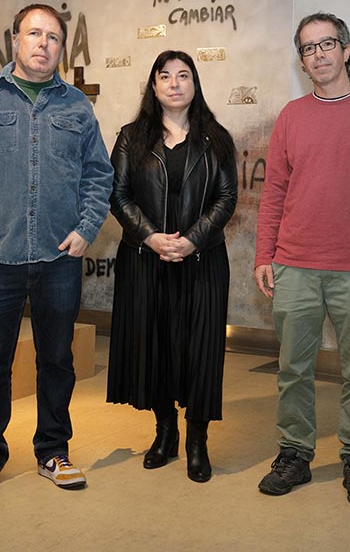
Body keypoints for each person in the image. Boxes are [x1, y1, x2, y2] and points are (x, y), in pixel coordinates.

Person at [0, 3, 114, 499]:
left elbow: (99, 174)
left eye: (54, 37)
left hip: (59, 259)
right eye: (34, 34)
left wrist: (87, 227)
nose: (43, 44)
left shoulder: (77, 106)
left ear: (62, 47)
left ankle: (53, 450)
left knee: (57, 361)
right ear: (14, 40)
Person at [254, 12, 350, 506]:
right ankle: (294, 453)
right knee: (293, 368)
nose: (317, 55)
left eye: (326, 44)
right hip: (293, 265)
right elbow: (273, 192)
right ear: (302, 59)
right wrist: (264, 254)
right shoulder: (291, 117)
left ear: (345, 48)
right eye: (307, 48)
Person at [106, 50, 237, 483]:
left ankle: (197, 441)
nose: (175, 83)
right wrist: (150, 236)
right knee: (155, 348)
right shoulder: (130, 137)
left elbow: (226, 198)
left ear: (195, 84)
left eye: (184, 75)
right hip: (146, 259)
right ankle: (165, 433)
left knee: (200, 352)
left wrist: (191, 239)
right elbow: (118, 194)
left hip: (202, 260)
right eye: (165, 76)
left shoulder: (216, 138)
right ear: (154, 85)